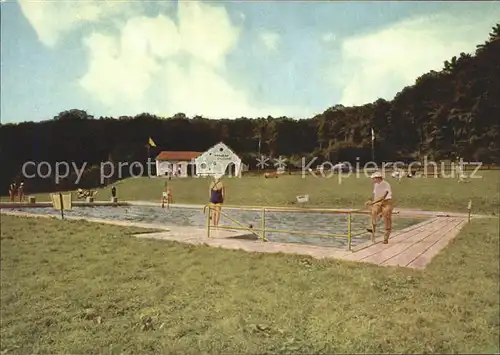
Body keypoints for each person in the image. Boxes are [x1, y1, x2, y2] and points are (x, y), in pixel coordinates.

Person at [365, 171, 393, 244]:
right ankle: (372, 232)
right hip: (377, 203)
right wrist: (370, 201)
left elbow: (383, 197)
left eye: (374, 178)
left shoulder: (386, 184)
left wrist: (373, 202)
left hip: (385, 202)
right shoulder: (376, 185)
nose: (373, 180)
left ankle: (386, 238)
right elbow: (374, 195)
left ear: (378, 178)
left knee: (387, 218)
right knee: (373, 212)